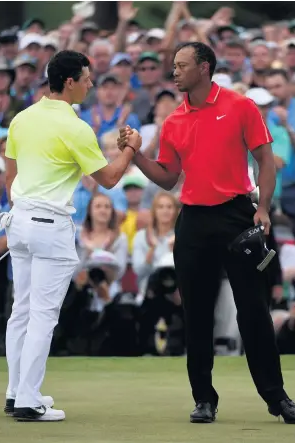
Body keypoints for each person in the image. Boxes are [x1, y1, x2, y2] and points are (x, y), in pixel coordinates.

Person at [117, 42, 295, 425]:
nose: (175, 71)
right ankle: (204, 400)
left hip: (236, 216)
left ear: (204, 67)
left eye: (182, 65)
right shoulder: (174, 122)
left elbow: (265, 159)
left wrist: (262, 208)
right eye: (174, 65)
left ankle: (276, 397)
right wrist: (136, 155)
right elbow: (167, 177)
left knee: (254, 312)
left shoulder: (240, 105)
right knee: (196, 314)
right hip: (193, 220)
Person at [3, 50, 142, 422]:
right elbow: (110, 179)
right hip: (49, 226)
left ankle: (17, 392)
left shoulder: (22, 118)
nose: (91, 84)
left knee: (22, 311)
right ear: (69, 82)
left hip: (19, 220)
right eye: (86, 78)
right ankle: (28, 400)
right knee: (42, 316)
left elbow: (9, 175)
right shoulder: (75, 126)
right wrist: (131, 149)